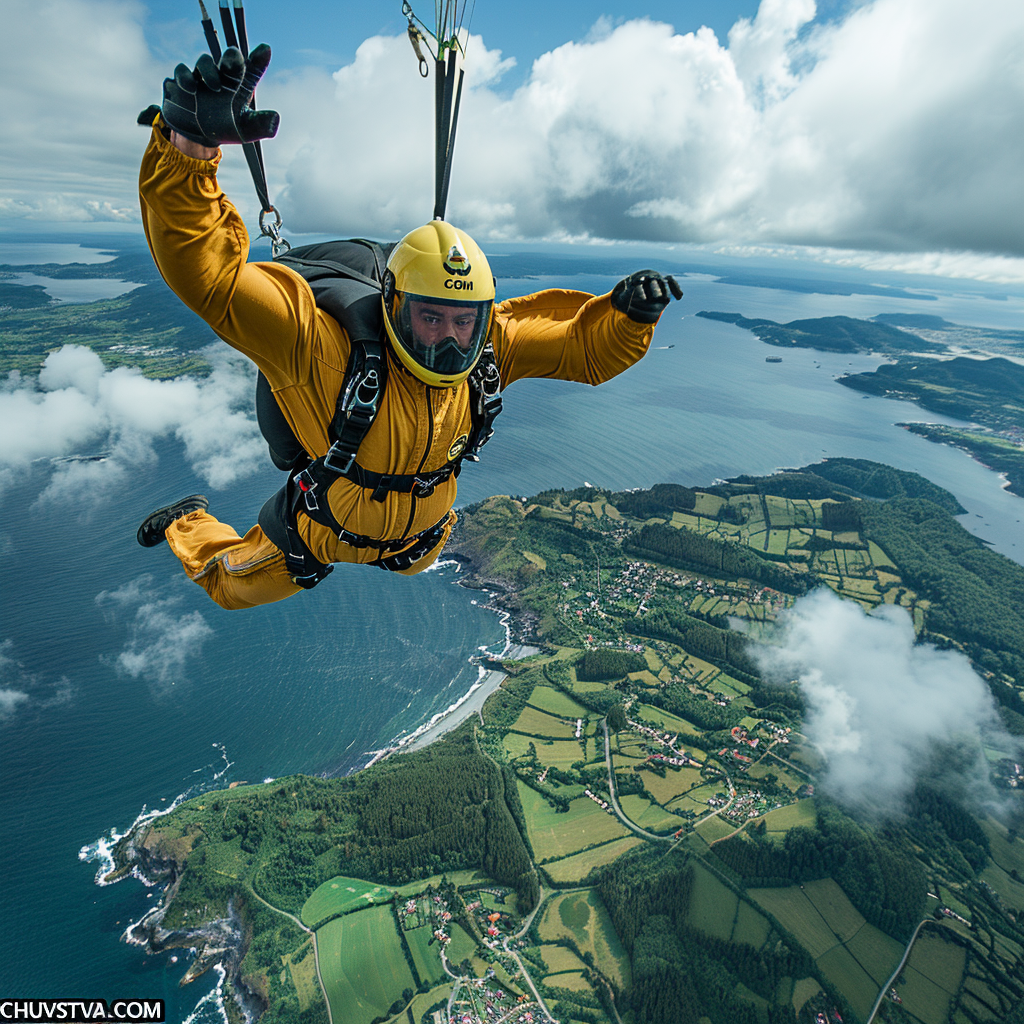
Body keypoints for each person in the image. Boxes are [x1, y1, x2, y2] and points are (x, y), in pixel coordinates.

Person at [136, 45, 682, 610]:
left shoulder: (489, 347)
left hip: (417, 542)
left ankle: (397, 548)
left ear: (482, 317)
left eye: (462, 322)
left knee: (410, 564)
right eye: (430, 317)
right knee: (230, 587)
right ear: (394, 305)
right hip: (318, 531)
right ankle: (188, 521)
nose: (449, 338)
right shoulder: (320, 350)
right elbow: (213, 281)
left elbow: (581, 352)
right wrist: (189, 150)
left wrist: (628, 318)